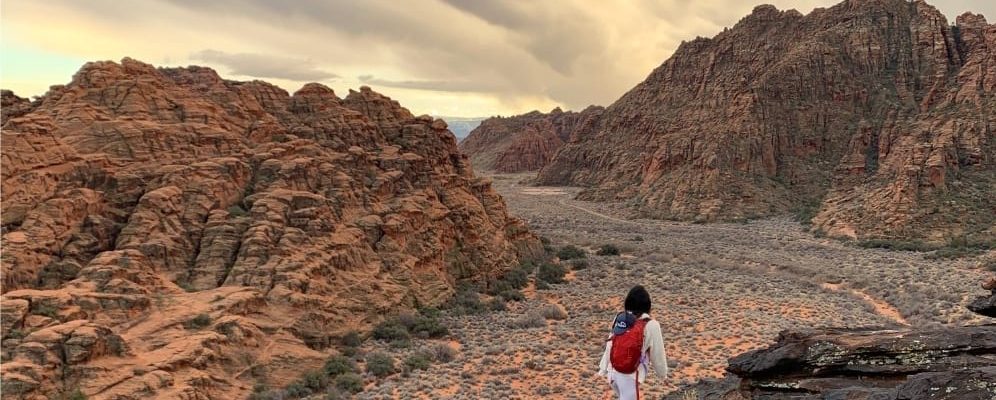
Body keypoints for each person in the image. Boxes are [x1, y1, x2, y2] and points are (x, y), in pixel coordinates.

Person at [598, 285, 668, 400]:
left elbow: (610, 343)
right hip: (629, 376)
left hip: (612, 373)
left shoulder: (619, 318)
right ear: (647, 305)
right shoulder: (651, 325)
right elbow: (657, 353)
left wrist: (603, 369)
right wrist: (663, 375)